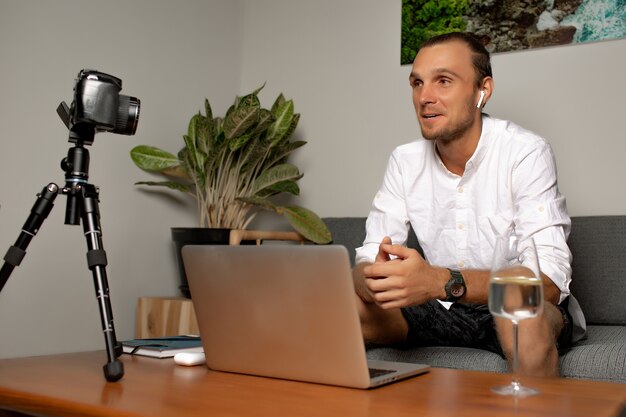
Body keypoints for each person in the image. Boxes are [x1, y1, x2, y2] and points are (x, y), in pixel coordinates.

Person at [353, 32, 585, 377]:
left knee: (518, 311)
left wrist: (438, 281)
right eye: (417, 83)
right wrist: (372, 278)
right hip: (438, 308)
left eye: (443, 81)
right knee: (342, 310)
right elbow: (366, 261)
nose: (424, 97)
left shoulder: (524, 151)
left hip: (513, 311)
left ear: (482, 91)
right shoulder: (404, 161)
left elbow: (549, 284)